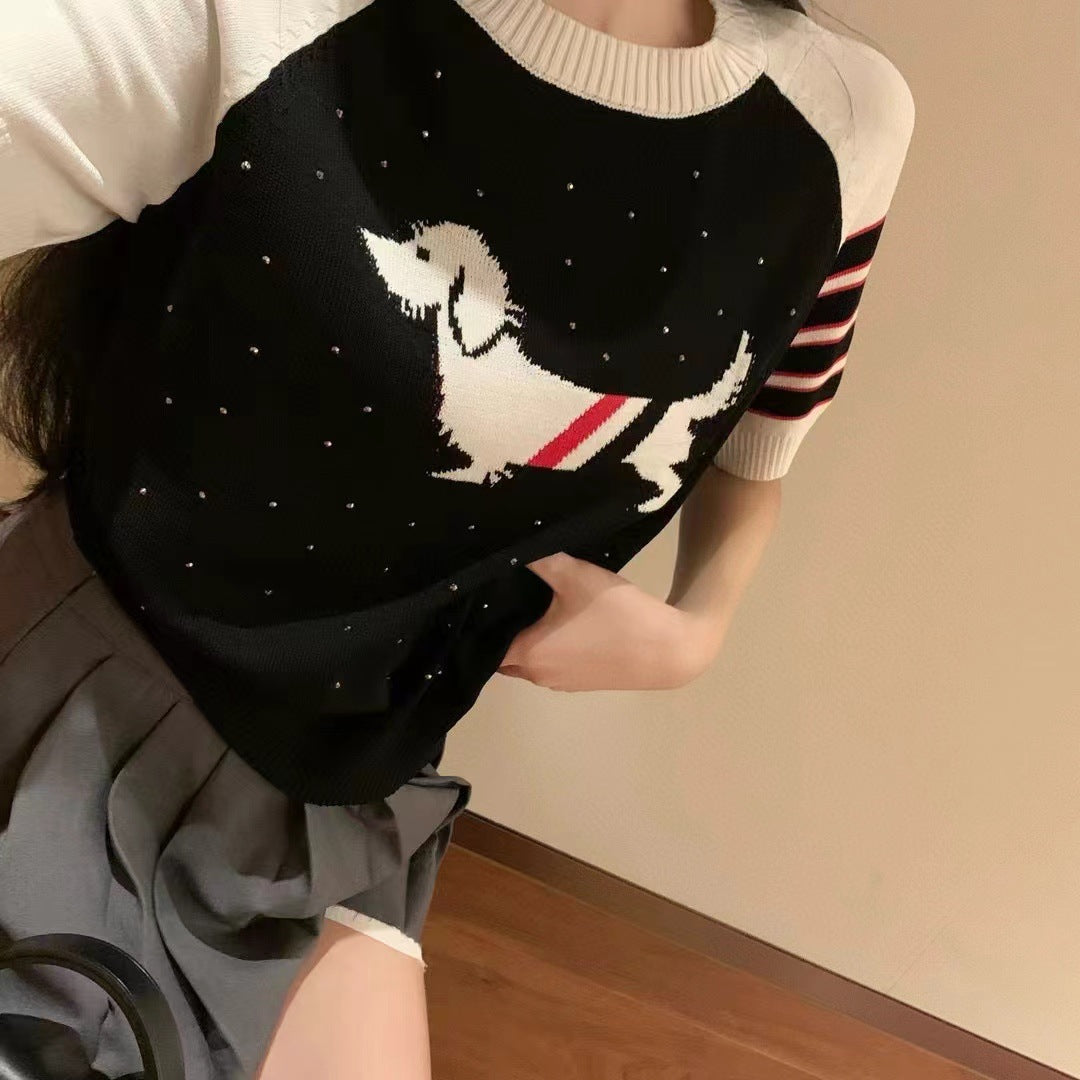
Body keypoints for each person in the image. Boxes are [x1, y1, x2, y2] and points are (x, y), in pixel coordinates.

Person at [0, 0, 915, 1075]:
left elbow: (764, 430)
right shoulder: (263, 21)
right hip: (69, 703)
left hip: (351, 792)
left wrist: (698, 625)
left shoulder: (844, 122)